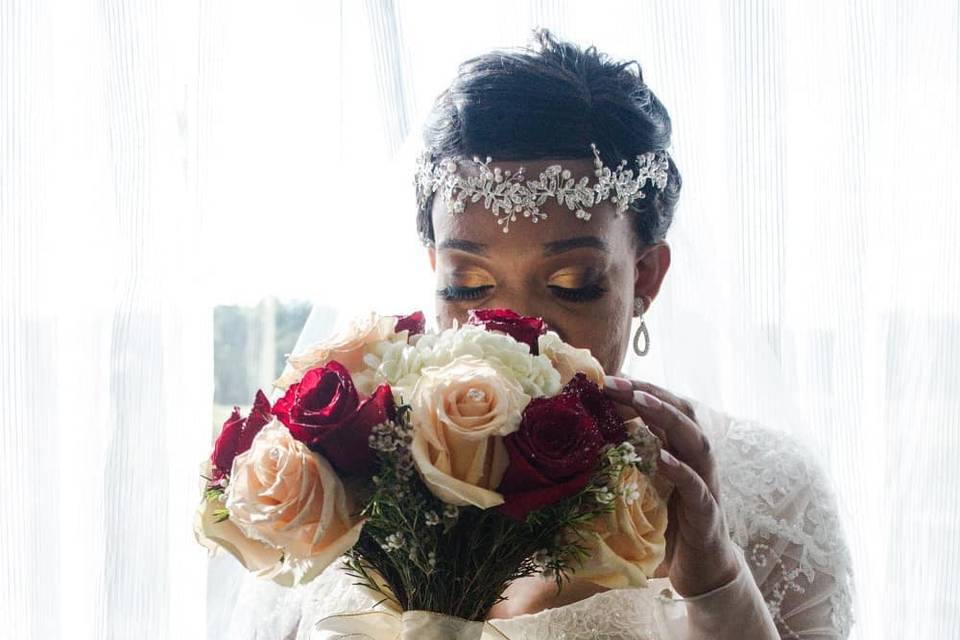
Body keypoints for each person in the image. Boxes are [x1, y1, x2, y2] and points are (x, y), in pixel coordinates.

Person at [219, 28, 854, 639]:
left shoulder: (772, 494)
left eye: (573, 283)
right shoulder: (345, 470)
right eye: (467, 284)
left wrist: (715, 584)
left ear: (646, 276)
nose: (513, 331)